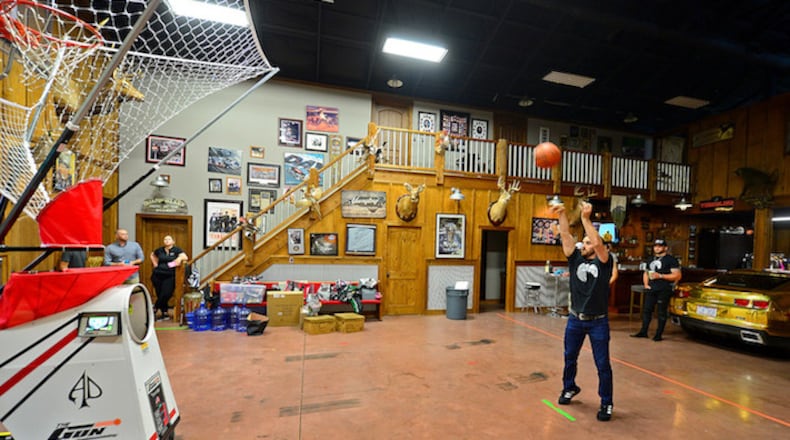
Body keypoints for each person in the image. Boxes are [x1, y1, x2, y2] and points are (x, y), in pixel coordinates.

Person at [552, 200, 614, 422]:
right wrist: (562, 215)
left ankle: (606, 402)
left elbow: (598, 244)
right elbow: (567, 236)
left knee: (602, 364)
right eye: (584, 242)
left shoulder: (605, 261)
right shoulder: (575, 259)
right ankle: (569, 387)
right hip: (575, 319)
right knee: (569, 357)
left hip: (598, 322)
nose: (584, 245)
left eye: (587, 243)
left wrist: (586, 219)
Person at [631, 239, 682, 341]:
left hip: (664, 289)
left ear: (665, 248)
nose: (657, 248)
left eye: (659, 246)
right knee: (647, 310)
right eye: (655, 246)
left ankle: (658, 334)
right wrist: (646, 284)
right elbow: (646, 272)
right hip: (651, 288)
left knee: (661, 312)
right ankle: (643, 331)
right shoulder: (650, 259)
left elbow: (677, 275)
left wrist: (661, 276)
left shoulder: (671, 260)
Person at [150, 235, 189, 321]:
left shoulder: (176, 250)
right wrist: (155, 264)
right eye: (165, 239)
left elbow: (185, 257)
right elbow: (152, 255)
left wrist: (179, 258)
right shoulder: (160, 250)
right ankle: (164, 312)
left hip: (170, 275)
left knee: (166, 293)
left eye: (169, 239)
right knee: (160, 294)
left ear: (173, 241)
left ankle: (155, 308)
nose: (167, 241)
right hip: (158, 274)